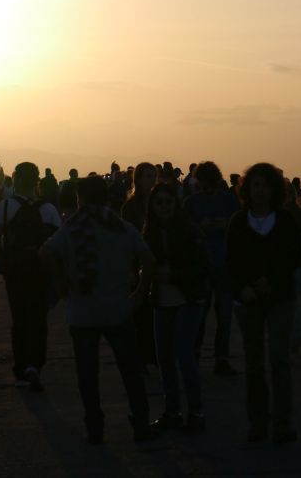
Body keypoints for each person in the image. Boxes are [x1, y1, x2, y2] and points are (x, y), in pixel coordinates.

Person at [40, 175, 156, 444]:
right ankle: (140, 423)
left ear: (80, 198)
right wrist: (140, 292)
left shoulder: (72, 229)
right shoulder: (123, 228)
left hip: (83, 312)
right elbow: (148, 259)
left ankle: (95, 426)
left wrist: (60, 283)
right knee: (130, 370)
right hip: (119, 309)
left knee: (88, 375)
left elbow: (45, 252)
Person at [227, 163, 301, 443]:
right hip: (248, 300)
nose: (260, 190)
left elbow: (294, 258)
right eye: (255, 185)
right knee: (254, 362)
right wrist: (243, 287)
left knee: (279, 359)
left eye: (265, 185)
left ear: (274, 189)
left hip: (281, 298)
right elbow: (231, 261)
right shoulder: (238, 221)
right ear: (248, 189)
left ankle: (283, 422)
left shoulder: (284, 221)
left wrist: (271, 280)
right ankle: (257, 421)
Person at [143, 182, 209, 433]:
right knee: (165, 358)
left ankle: (196, 411)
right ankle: (172, 411)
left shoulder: (189, 230)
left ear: (175, 204)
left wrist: (173, 275)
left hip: (189, 299)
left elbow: (202, 266)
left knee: (184, 354)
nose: (164, 207)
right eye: (159, 202)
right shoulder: (148, 232)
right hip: (162, 300)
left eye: (168, 202)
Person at [0, 162, 61, 391]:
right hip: (40, 270)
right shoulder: (48, 209)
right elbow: (58, 242)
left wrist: (6, 257)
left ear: (16, 180)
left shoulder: (6, 206)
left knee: (19, 318)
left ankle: (21, 367)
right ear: (37, 181)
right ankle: (35, 365)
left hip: (16, 271)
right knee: (39, 318)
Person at [184, 161, 239, 375]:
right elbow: (185, 232)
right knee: (199, 316)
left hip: (224, 264)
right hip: (202, 266)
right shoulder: (190, 203)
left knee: (224, 316)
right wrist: (201, 227)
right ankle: (195, 356)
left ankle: (221, 358)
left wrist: (223, 225)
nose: (207, 189)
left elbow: (237, 229)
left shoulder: (229, 201)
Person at [120, 161, 158, 367]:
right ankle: (141, 356)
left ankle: (152, 354)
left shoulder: (159, 202)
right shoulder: (131, 206)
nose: (151, 181)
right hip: (137, 264)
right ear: (139, 179)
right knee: (140, 313)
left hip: (156, 262)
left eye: (154, 177)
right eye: (148, 177)